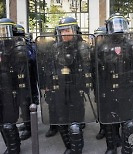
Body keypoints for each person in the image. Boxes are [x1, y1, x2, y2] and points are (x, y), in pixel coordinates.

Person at [36, 16, 95, 154]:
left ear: (74, 30)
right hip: (58, 90)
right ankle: (69, 147)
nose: (64, 33)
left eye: (67, 30)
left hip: (75, 90)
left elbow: (88, 71)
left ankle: (76, 150)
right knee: (60, 122)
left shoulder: (82, 47)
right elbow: (50, 68)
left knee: (74, 125)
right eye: (61, 30)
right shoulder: (55, 47)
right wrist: (48, 85)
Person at [96, 13, 133, 154]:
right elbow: (99, 70)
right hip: (109, 89)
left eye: (121, 24)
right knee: (110, 121)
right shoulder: (102, 47)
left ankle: (127, 149)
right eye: (115, 25)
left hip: (127, 88)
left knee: (129, 123)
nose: (118, 28)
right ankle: (111, 147)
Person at [0, 18, 32, 154]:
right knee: (2, 121)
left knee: (8, 120)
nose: (2, 34)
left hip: (11, 88)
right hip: (2, 86)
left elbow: (22, 72)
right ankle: (10, 145)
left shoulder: (18, 47)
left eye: (4, 30)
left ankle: (14, 148)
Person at [14, 24, 39, 141]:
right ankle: (26, 123)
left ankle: (30, 128)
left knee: (26, 103)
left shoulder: (26, 47)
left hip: (28, 79)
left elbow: (31, 60)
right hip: (18, 79)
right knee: (21, 103)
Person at [94, 26, 106, 140]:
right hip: (98, 82)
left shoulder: (108, 49)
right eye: (97, 36)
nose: (99, 39)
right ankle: (102, 128)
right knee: (100, 107)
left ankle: (113, 132)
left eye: (101, 36)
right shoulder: (93, 49)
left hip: (108, 82)